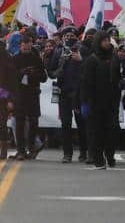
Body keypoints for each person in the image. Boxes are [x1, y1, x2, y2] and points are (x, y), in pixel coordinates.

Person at [81, 31, 121, 170]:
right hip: (95, 102)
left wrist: (122, 83)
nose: (107, 43)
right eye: (104, 40)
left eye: (108, 40)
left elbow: (117, 77)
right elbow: (86, 82)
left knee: (111, 131)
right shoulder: (92, 60)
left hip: (111, 102)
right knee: (96, 132)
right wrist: (86, 102)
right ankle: (98, 159)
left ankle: (110, 156)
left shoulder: (114, 58)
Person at [48, 27, 89, 164]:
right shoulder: (59, 51)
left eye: (71, 35)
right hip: (64, 93)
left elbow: (90, 67)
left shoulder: (82, 50)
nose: (68, 38)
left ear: (76, 37)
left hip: (78, 93)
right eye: (66, 35)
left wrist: (81, 60)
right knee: (65, 124)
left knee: (81, 124)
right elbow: (51, 71)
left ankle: (84, 152)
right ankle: (67, 153)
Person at [12, 31, 47, 160]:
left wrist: (34, 73)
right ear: (20, 45)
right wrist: (22, 72)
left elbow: (44, 77)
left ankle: (32, 148)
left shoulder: (36, 58)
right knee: (20, 123)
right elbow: (10, 77)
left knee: (33, 122)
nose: (26, 47)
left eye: (28, 44)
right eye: (24, 44)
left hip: (33, 94)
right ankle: (20, 150)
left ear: (32, 44)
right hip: (20, 95)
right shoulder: (15, 59)